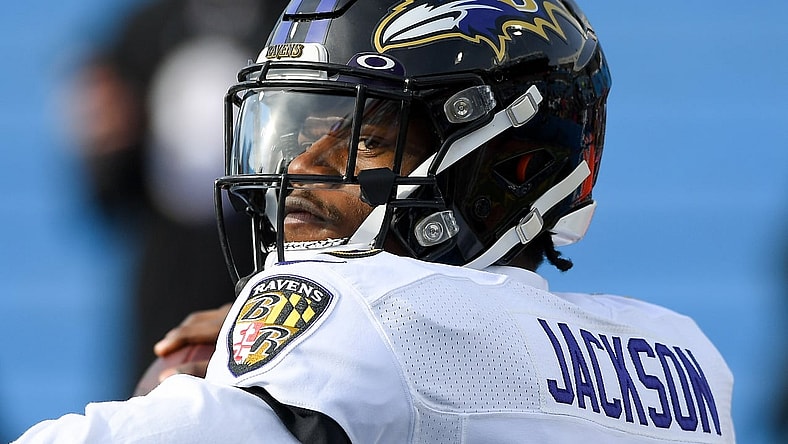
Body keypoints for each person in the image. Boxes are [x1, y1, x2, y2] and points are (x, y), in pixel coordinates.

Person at [17, 0, 735, 442]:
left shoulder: (370, 320)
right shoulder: (684, 365)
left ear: (508, 166)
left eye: (363, 136)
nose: (299, 167)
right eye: (296, 132)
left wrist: (217, 371)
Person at [69, 0, 289, 385]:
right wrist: (108, 145)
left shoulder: (297, 21)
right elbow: (108, 196)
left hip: (267, 257)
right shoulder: (145, 31)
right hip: (169, 269)